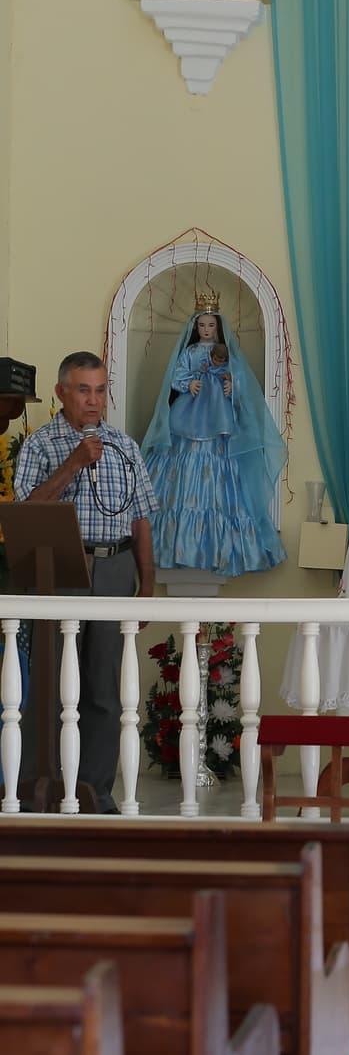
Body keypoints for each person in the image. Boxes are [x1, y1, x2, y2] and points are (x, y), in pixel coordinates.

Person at [14, 351, 157, 813]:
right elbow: (26, 511)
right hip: (60, 571)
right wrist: (74, 463)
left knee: (104, 688)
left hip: (114, 569)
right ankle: (44, 787)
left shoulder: (125, 446)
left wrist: (148, 589)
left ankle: (96, 792)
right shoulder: (41, 445)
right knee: (53, 686)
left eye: (99, 390)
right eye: (83, 390)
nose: (93, 402)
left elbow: (141, 522)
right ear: (61, 394)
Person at [142, 302, 287, 577]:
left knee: (222, 464)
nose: (206, 330)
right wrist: (189, 384)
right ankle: (176, 541)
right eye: (202, 325)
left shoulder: (228, 353)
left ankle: (220, 543)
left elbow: (240, 377)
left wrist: (233, 385)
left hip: (218, 414)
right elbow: (177, 375)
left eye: (211, 325)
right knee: (181, 464)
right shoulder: (190, 352)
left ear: (217, 327)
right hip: (191, 411)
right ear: (195, 328)